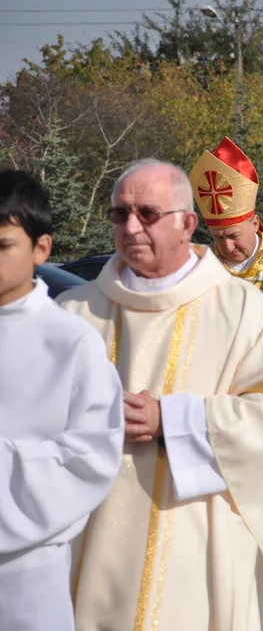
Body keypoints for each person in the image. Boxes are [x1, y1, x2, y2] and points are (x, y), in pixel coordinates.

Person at [59, 160, 263, 631]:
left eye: (147, 213)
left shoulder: (240, 308)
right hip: (85, 532)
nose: (131, 226)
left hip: (191, 532)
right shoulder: (75, 309)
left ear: (188, 224)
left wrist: (173, 420)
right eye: (119, 213)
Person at [0, 170, 124, 631]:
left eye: (2, 246)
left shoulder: (71, 342)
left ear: (42, 249)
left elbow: (90, 458)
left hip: (26, 572)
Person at [189, 137, 263, 289]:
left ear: (254, 224)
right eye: (218, 237)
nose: (228, 247)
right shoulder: (201, 272)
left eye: (234, 236)